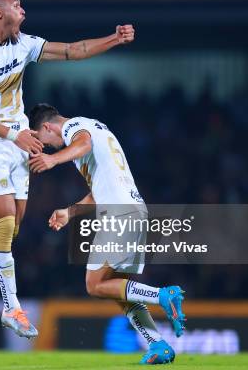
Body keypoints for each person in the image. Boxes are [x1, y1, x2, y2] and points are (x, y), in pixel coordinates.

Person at [0, 0, 136, 339]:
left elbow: (74, 51)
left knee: (10, 232)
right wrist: (14, 136)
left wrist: (114, 39)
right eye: (17, 5)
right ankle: (11, 308)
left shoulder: (23, 44)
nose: (23, 10)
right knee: (3, 225)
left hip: (21, 143)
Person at [27, 103, 186, 364]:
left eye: (42, 141)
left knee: (94, 284)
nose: (46, 148)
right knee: (118, 289)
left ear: (47, 127)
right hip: (134, 210)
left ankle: (162, 296)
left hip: (119, 213)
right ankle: (158, 345)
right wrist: (70, 212)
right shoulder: (95, 127)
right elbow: (98, 190)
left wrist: (53, 160)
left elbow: (84, 143)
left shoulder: (76, 128)